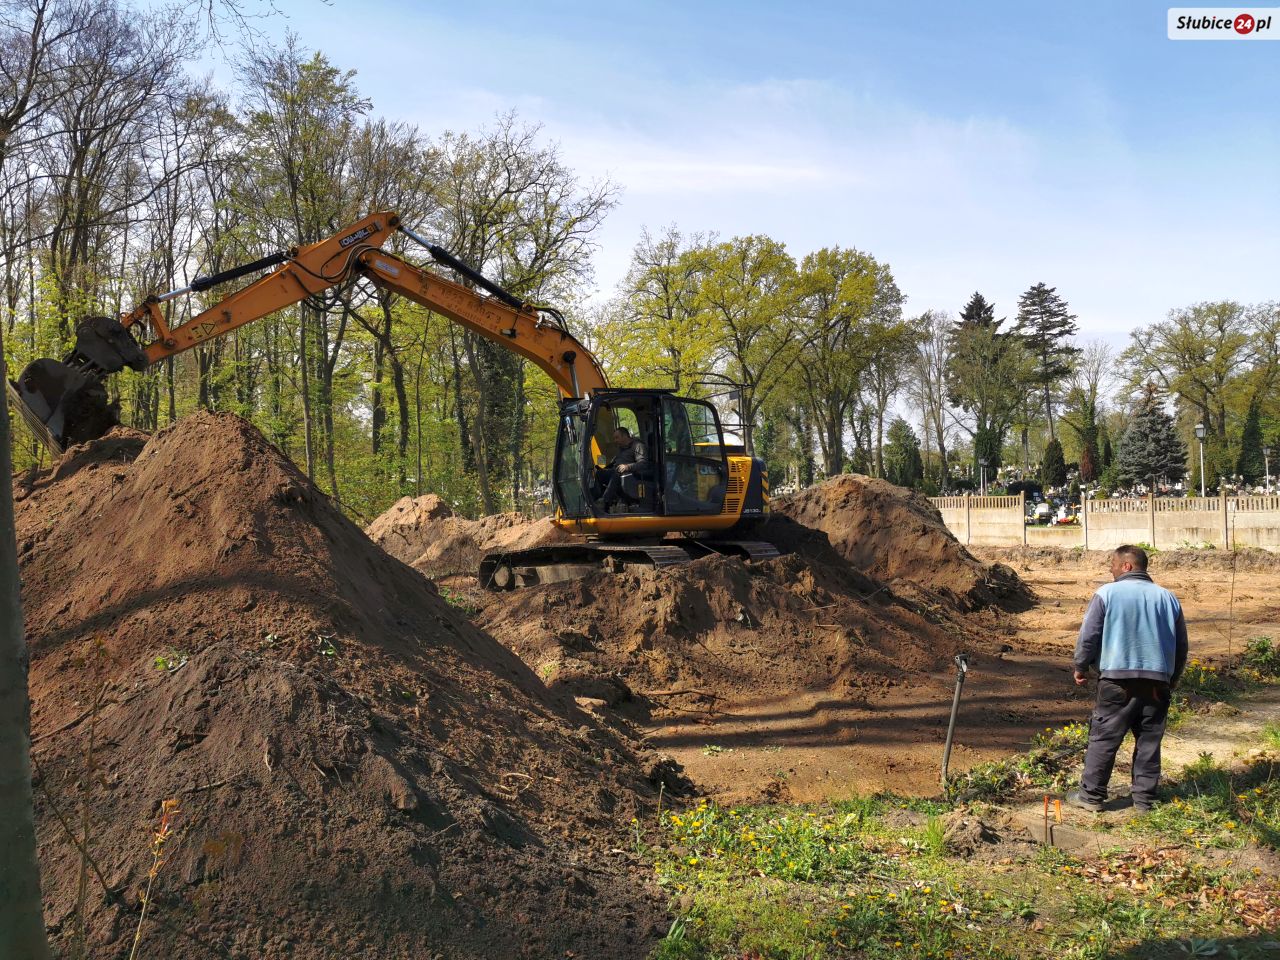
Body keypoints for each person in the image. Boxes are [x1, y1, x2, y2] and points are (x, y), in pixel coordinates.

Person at [1067, 544, 1188, 813]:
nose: (1110, 569)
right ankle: (1145, 801)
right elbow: (1181, 646)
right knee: (1149, 741)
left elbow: (1089, 635)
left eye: (1112, 564)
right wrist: (1174, 678)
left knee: (1104, 738)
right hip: (1158, 681)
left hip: (1116, 681)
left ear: (1127, 566)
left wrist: (1080, 666)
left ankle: (1091, 797)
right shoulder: (1168, 598)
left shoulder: (1106, 593)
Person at [595, 426, 650, 513]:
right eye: (614, 438)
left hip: (631, 476)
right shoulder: (621, 448)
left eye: (617, 438)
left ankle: (604, 500)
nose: (615, 440)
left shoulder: (638, 446)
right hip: (617, 471)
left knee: (617, 473)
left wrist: (627, 466)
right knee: (599, 473)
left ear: (625, 436)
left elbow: (643, 463)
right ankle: (598, 500)